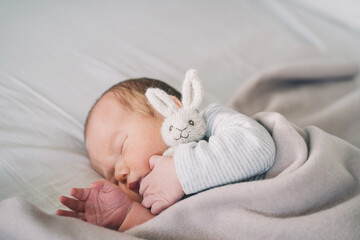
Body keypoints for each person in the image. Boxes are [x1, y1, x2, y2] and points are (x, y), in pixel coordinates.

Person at [56, 76, 276, 231]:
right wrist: (130, 217)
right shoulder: (164, 207)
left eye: (122, 147)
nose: (121, 173)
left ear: (168, 109)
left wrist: (179, 172)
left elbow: (258, 147)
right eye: (112, 176)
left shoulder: (212, 123)